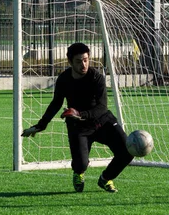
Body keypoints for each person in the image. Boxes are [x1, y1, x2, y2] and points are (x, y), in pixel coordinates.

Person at [21, 42, 134, 193]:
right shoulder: (64, 79)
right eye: (79, 61)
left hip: (102, 122)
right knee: (81, 164)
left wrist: (80, 114)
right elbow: (56, 103)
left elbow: (102, 107)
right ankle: (78, 173)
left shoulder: (97, 77)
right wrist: (41, 125)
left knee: (127, 151)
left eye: (86, 60)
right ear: (69, 61)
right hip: (78, 127)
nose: (83, 64)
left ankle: (106, 178)